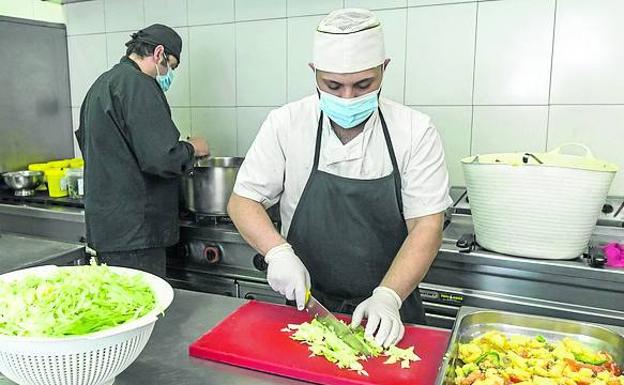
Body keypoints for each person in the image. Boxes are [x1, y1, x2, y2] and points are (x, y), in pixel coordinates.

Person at [228, 9, 452, 347]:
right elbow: (243, 201)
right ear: (314, 72)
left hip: (391, 317)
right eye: (333, 85)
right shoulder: (286, 123)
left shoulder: (414, 130)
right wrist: (277, 252)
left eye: (364, 84)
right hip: (307, 311)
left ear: (384, 69)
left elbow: (427, 225)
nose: (348, 97)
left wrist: (388, 297)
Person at [75, 24, 209, 277]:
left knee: (122, 306)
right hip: (137, 231)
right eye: (170, 65)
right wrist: (193, 148)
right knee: (142, 306)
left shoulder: (102, 85)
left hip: (108, 227)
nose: (168, 73)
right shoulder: (139, 84)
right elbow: (162, 157)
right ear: (158, 53)